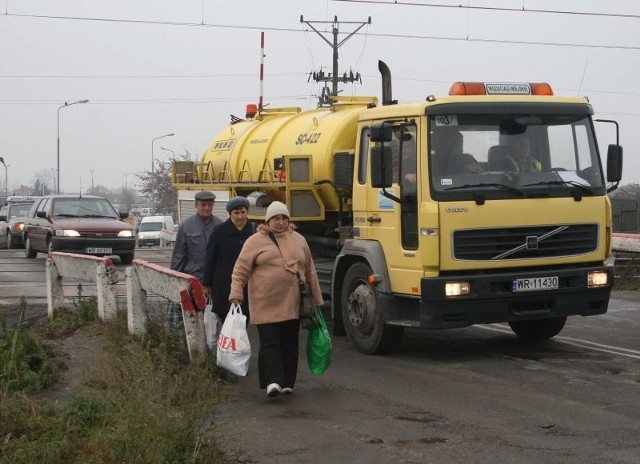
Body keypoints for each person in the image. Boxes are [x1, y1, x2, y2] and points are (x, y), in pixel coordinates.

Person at [229, 201, 323, 398]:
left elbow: (309, 270)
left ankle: (288, 382)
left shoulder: (298, 240)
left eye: (284, 218)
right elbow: (240, 271)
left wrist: (317, 299)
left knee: (289, 342)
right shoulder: (255, 241)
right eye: (276, 219)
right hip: (265, 301)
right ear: (268, 221)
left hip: (292, 300)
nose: (280, 223)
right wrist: (236, 294)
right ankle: (272, 382)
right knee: (270, 342)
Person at [168, 191, 223, 327]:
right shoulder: (186, 226)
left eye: (209, 205)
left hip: (214, 283)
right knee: (193, 321)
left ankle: (213, 347)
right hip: (193, 280)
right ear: (196, 205)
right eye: (203, 204)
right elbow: (179, 256)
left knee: (213, 322)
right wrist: (174, 280)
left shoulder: (220, 226)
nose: (206, 208)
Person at [202, 196, 256, 323]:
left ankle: (240, 343)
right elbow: (210, 258)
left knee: (245, 319)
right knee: (228, 320)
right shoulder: (219, 231)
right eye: (236, 213)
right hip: (224, 286)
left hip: (248, 284)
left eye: (243, 212)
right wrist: (207, 284)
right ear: (230, 214)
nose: (240, 216)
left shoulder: (255, 230)